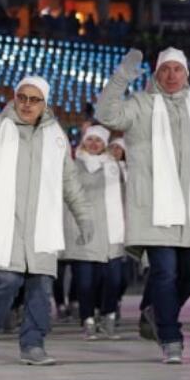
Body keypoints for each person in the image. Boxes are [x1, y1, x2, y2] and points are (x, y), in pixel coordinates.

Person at [94, 48, 190, 364]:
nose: (171, 75)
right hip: (155, 207)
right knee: (165, 272)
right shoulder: (141, 106)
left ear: (187, 74)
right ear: (156, 74)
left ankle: (157, 311)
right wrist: (121, 78)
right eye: (165, 70)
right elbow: (106, 115)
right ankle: (171, 338)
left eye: (177, 69)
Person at [0, 66, 92, 367]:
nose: (27, 104)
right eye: (22, 97)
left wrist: (84, 217)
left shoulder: (56, 136)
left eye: (34, 99)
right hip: (7, 222)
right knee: (8, 279)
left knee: (41, 285)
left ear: (45, 104)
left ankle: (33, 344)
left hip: (42, 224)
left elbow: (69, 182)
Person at [63, 124, 128, 341]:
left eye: (98, 140)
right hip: (84, 229)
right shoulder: (72, 166)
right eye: (89, 139)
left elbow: (125, 196)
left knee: (114, 279)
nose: (93, 144)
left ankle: (108, 317)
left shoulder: (114, 167)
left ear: (105, 144)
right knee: (84, 282)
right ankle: (88, 320)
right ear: (83, 142)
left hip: (111, 231)